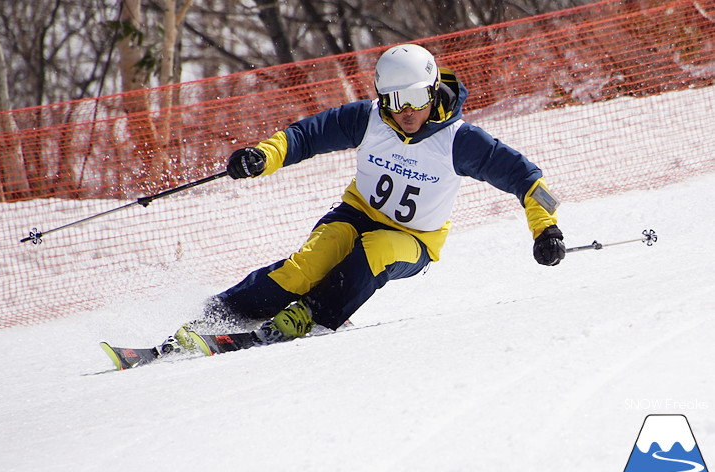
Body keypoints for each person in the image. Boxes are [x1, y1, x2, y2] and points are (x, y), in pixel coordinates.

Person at [170, 43, 565, 349]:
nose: (407, 111)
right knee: (308, 263)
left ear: (433, 91)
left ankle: (311, 314)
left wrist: (546, 229)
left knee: (376, 249)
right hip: (356, 213)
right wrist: (262, 156)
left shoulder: (459, 141)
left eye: (415, 99)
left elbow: (527, 179)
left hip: (414, 241)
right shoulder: (369, 119)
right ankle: (220, 315)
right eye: (395, 100)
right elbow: (306, 136)